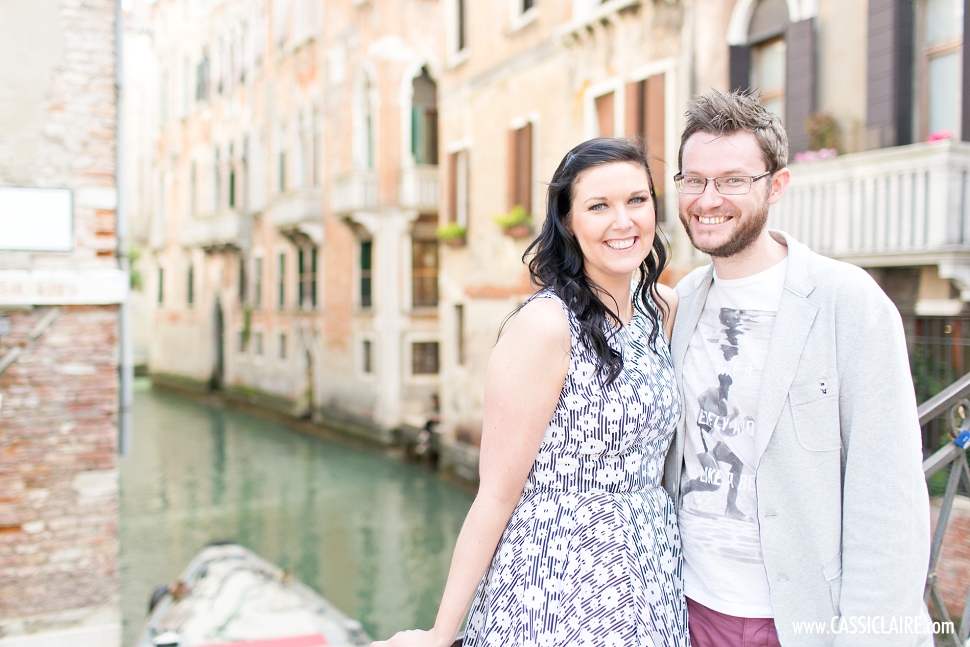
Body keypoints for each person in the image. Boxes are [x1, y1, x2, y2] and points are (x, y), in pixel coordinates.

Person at [373, 138, 689, 647]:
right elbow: (496, 493)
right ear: (568, 222)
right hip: (557, 580)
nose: (623, 221)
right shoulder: (544, 327)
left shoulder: (663, 312)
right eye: (598, 206)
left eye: (637, 200)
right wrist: (439, 633)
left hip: (652, 573)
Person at [664, 90, 932, 646]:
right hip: (685, 611)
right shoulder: (679, 303)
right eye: (693, 180)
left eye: (733, 180)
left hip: (805, 620)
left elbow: (889, 499)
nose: (707, 198)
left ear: (776, 185)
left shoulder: (848, 302)